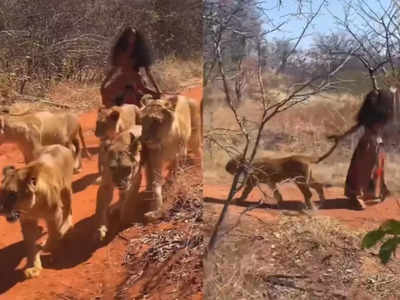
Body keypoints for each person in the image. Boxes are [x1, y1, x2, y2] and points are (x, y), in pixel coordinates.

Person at [329, 89, 393, 210]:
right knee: (362, 172)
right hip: (369, 146)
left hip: (376, 147)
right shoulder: (375, 117)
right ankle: (357, 196)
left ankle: (372, 193)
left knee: (376, 171)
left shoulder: (382, 117)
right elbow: (355, 128)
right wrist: (340, 137)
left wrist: (340, 137)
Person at [101, 26, 161, 107]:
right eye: (129, 35)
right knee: (107, 94)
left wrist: (157, 89)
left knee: (142, 96)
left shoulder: (139, 51)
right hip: (122, 78)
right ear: (125, 37)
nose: (131, 37)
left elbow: (148, 72)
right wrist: (104, 84)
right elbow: (115, 68)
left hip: (136, 78)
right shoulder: (120, 50)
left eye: (133, 35)